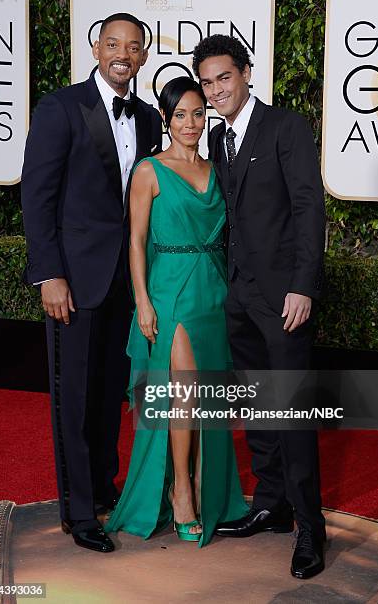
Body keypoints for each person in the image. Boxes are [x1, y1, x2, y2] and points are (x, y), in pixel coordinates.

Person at [21, 13, 162, 553]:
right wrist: (49, 274)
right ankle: (78, 512)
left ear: (143, 56)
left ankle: (104, 491)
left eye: (132, 46)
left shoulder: (149, 119)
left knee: (108, 396)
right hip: (73, 282)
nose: (122, 53)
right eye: (113, 44)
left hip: (127, 282)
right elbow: (38, 196)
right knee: (73, 397)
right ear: (96, 48)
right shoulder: (61, 107)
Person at [192, 35, 326, 578]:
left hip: (283, 298)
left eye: (224, 77)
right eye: (207, 82)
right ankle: (272, 504)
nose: (216, 90)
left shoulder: (284, 127)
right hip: (239, 299)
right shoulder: (216, 139)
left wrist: (304, 285)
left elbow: (307, 206)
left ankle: (310, 530)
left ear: (247, 73)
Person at [104, 76, 248, 546]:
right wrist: (142, 300)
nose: (191, 123)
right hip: (169, 292)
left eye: (198, 113)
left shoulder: (218, 167)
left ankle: (206, 485)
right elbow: (136, 241)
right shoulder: (149, 170)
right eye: (180, 114)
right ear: (165, 119)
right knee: (182, 392)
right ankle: (181, 489)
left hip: (213, 292)